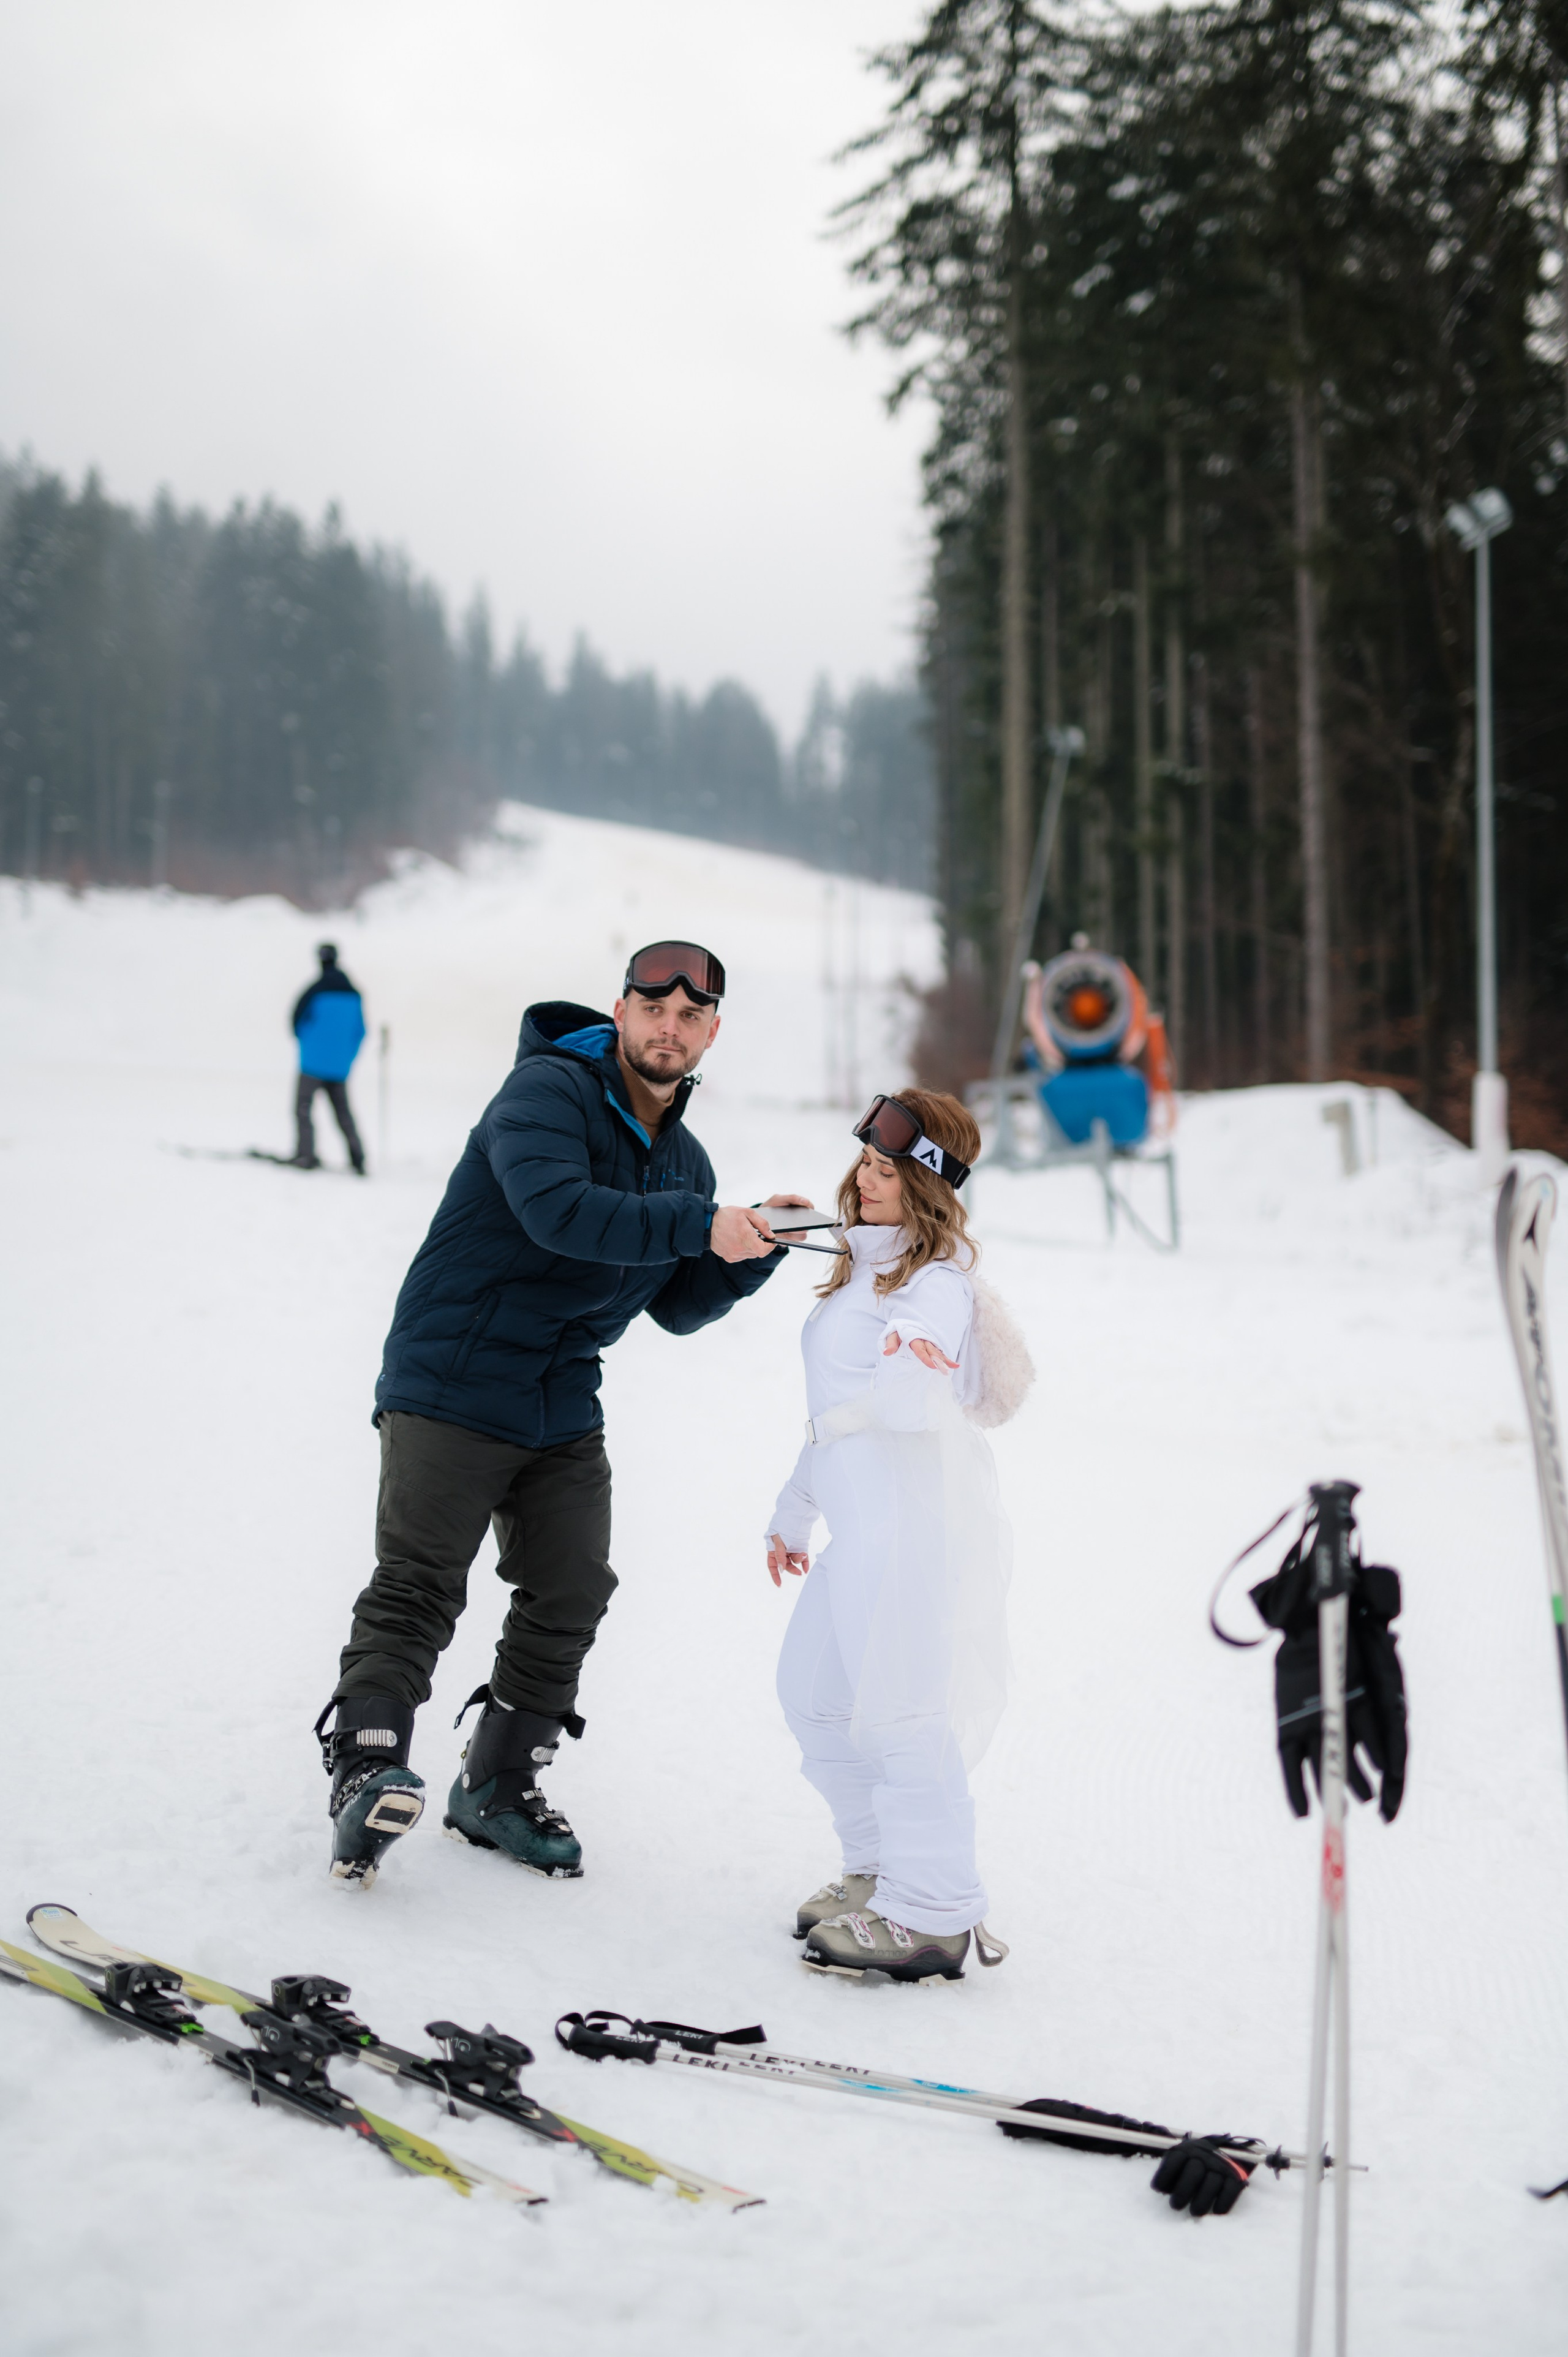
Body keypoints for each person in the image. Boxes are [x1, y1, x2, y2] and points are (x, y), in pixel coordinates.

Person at [316, 940, 809, 1889]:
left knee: (574, 1587)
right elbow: (559, 1213)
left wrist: (751, 1253)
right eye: (653, 1009)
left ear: (711, 1033)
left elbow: (674, 1304)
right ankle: (365, 1766)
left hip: (558, 1398)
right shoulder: (545, 1092)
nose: (669, 1029)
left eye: (690, 1016)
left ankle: (496, 1786)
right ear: (620, 1012)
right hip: (455, 1375)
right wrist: (698, 1223)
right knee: (420, 1584)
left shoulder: (685, 1159)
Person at [767, 1088, 1013, 1984]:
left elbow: (911, 1389)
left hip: (908, 1537)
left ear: (927, 1184)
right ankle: (877, 1870)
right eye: (866, 1165)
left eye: (889, 1171)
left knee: (905, 1717)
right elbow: (835, 1416)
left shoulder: (935, 1285)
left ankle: (936, 1913)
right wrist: (795, 1510)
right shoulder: (858, 1273)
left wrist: (917, 1352)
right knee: (815, 1699)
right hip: (856, 1535)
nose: (868, 1182)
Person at [292, 943, 368, 1173]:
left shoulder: (315, 990)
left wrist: (308, 1044)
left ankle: (306, 1155)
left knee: (303, 1109)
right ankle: (358, 1158)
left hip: (312, 1063)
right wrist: (347, 1056)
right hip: (339, 1066)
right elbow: (361, 1031)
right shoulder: (354, 993)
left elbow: (296, 1021)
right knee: (343, 1114)